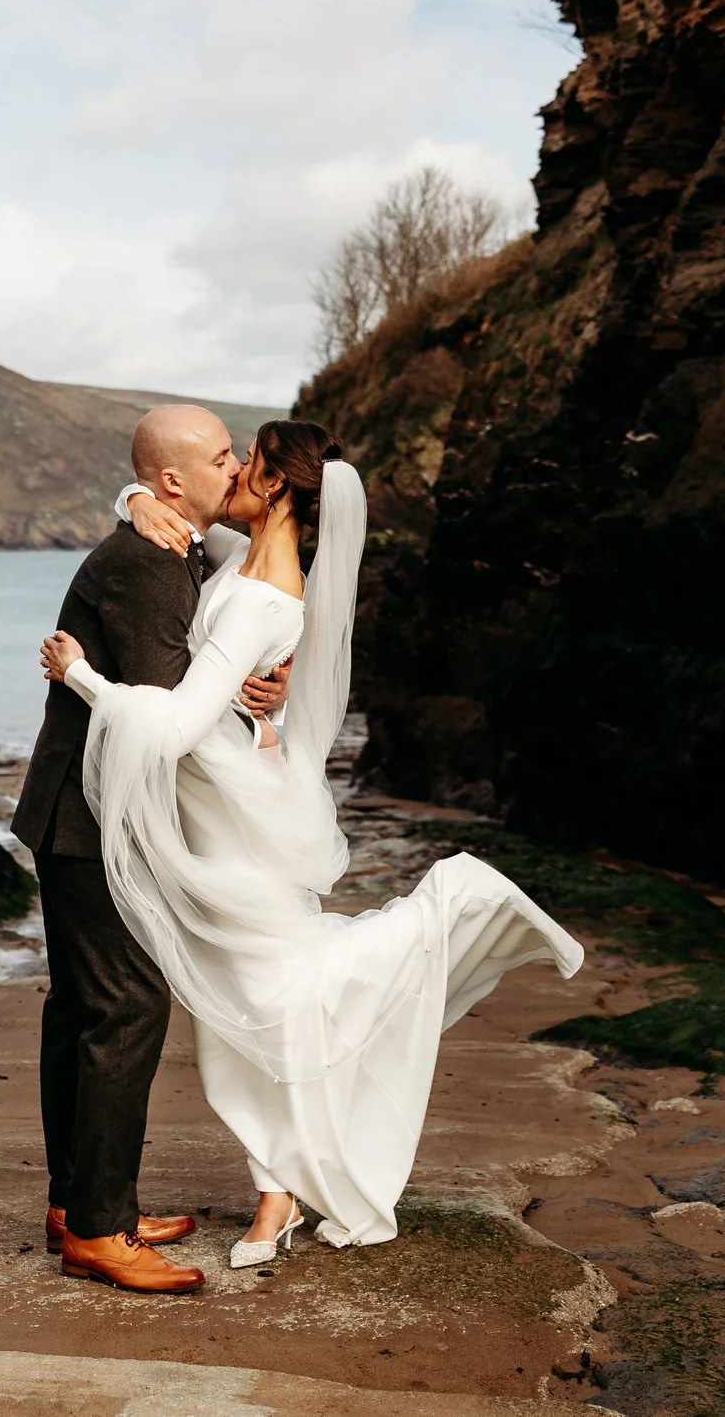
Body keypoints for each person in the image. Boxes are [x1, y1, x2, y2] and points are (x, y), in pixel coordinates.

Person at [40, 418, 582, 1273]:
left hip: (218, 806)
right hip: (186, 803)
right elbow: (168, 524)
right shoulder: (217, 553)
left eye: (244, 460)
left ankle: (216, 1191)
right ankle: (129, 1207)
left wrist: (82, 675)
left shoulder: (252, 581)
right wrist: (134, 495)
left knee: (252, 988)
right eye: (224, 459)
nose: (235, 472)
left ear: (278, 488)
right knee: (177, 998)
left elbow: (178, 714)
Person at [12, 404, 288, 1296]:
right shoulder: (146, 562)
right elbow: (169, 718)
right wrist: (248, 716)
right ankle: (100, 1228)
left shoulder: (180, 548)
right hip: (88, 822)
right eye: (219, 457)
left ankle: (80, 1202)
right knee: (125, 1007)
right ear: (173, 483)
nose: (236, 465)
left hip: (78, 813)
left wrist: (256, 690)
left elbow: (202, 651)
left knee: (84, 1006)